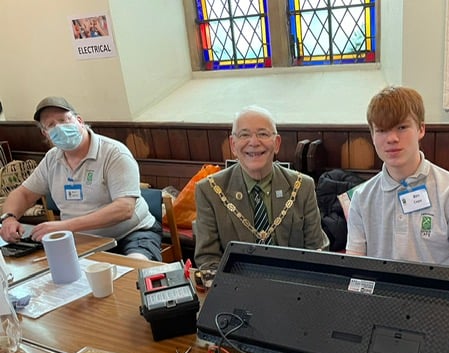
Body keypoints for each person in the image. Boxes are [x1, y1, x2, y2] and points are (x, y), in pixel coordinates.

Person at [0, 96, 162, 261]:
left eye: (64, 120)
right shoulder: (51, 159)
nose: (59, 127)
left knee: (135, 269)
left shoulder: (114, 153)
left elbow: (125, 208)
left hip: (131, 235)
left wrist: (65, 226)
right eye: (51, 125)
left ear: (79, 120)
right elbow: (24, 194)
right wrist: (8, 219)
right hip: (81, 240)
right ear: (45, 134)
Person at [346, 86, 449, 268]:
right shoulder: (361, 198)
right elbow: (353, 267)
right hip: (381, 294)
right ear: (372, 135)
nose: (392, 138)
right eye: (381, 130)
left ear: (421, 129)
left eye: (402, 127)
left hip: (438, 295)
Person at [194, 105, 329, 270]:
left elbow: (316, 251)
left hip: (292, 286)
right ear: (233, 145)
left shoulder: (302, 187)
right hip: (237, 288)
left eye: (263, 134)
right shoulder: (209, 191)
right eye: (244, 135)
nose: (254, 142)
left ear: (277, 143)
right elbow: (208, 260)